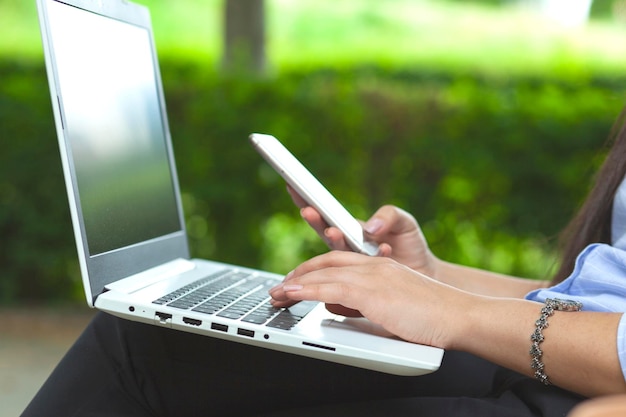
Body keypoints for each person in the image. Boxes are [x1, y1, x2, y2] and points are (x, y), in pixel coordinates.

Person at [22, 107, 626, 417]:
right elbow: (604, 297)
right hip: (550, 365)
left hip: (569, 391)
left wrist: (453, 312)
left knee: (138, 356)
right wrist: (433, 279)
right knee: (141, 339)